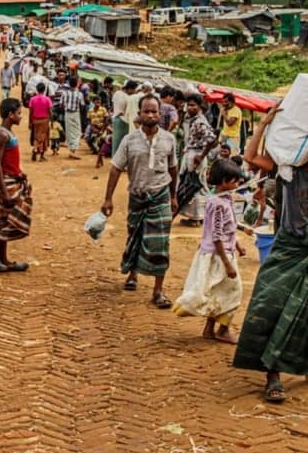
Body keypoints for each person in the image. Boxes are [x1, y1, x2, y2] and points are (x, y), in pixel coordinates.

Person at [233, 82, 308, 405]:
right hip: (287, 248)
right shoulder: (288, 170)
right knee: (271, 306)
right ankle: (271, 373)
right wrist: (264, 123)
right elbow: (249, 156)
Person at [100, 95, 178, 309]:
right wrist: (108, 198)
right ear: (139, 114)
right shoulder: (129, 140)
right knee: (135, 236)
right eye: (147, 111)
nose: (151, 115)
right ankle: (132, 274)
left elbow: (173, 169)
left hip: (160, 195)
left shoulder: (169, 139)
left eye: (154, 111)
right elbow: (116, 168)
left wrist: (173, 196)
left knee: (160, 242)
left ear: (160, 114)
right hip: (137, 196)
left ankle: (158, 290)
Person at [174, 158, 246, 343]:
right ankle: (223, 329)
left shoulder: (226, 199)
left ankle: (210, 328)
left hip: (225, 252)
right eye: (234, 181)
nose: (237, 184)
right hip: (218, 256)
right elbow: (216, 235)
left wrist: (237, 244)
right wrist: (227, 263)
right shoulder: (217, 204)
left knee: (218, 291)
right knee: (233, 291)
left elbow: (229, 228)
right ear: (223, 181)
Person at [0, 98, 33, 274]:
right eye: (19, 113)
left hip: (12, 177)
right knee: (18, 214)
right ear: (10, 115)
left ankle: (3, 259)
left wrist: (20, 173)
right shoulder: (1, 135)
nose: (21, 116)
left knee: (5, 218)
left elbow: (9, 160)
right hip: (5, 180)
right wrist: (4, 190)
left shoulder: (8, 133)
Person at [177, 92, 219, 225]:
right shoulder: (191, 119)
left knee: (195, 186)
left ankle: (196, 217)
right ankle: (196, 216)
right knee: (194, 185)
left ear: (200, 106)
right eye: (188, 105)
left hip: (195, 155)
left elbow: (212, 140)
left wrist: (201, 156)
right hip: (191, 153)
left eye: (193, 105)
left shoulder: (200, 121)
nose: (190, 107)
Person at [60, 77, 86, 160]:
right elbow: (82, 105)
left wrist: (66, 107)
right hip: (75, 113)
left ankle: (72, 150)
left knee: (69, 131)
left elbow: (61, 104)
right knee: (77, 132)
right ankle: (72, 151)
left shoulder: (65, 93)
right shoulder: (80, 94)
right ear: (77, 84)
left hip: (67, 113)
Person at [28, 82, 53, 161]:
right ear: (44, 89)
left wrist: (30, 122)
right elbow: (50, 111)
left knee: (36, 136)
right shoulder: (47, 99)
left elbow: (30, 112)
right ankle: (40, 152)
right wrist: (52, 121)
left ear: (37, 89)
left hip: (35, 120)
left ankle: (36, 149)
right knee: (43, 137)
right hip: (45, 120)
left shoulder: (32, 99)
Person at [111, 79, 134, 154]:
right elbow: (125, 110)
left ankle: (115, 160)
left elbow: (114, 105)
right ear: (130, 89)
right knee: (121, 144)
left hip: (115, 119)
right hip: (123, 120)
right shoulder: (127, 97)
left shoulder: (117, 93)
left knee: (116, 143)